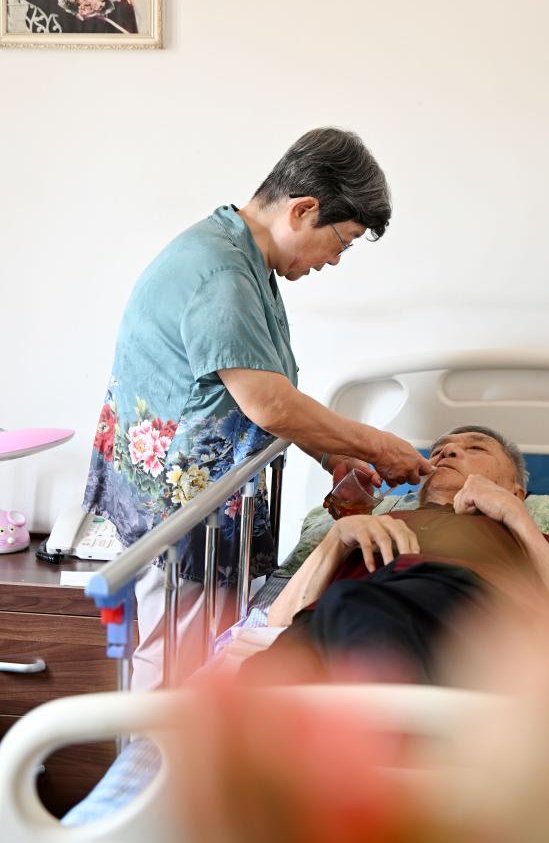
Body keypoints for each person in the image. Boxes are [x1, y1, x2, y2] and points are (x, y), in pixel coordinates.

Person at [82, 127, 433, 690]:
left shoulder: (245, 261)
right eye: (341, 242)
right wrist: (374, 443)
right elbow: (269, 405)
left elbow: (268, 391)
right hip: (179, 505)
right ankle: (160, 749)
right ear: (304, 209)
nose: (335, 260)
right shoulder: (222, 273)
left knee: (202, 654)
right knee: (175, 667)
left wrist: (332, 456)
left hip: (205, 499)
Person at [258, 425, 549, 685]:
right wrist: (336, 539)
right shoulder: (370, 526)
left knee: (347, 612)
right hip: (337, 618)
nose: (446, 452)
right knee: (272, 670)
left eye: (476, 448)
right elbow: (279, 621)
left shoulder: (534, 541)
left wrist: (517, 519)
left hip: (467, 615)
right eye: (439, 449)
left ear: (516, 489)